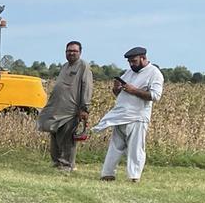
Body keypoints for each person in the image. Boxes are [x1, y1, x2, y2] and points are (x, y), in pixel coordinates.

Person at [92, 46, 164, 182]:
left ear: (143, 58)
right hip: (121, 115)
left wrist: (134, 90)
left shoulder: (154, 73)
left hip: (138, 116)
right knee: (115, 146)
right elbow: (118, 93)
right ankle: (107, 174)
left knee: (135, 148)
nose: (131, 64)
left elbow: (155, 96)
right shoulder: (128, 73)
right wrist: (116, 88)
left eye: (134, 61)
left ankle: (134, 177)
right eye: (130, 61)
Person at [37, 41, 94, 171]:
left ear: (80, 52)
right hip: (57, 108)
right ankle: (57, 162)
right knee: (55, 134)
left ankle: (67, 165)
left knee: (67, 137)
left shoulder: (83, 66)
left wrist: (84, 108)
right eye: (69, 51)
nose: (71, 53)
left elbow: (87, 87)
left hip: (72, 109)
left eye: (74, 51)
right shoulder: (65, 66)